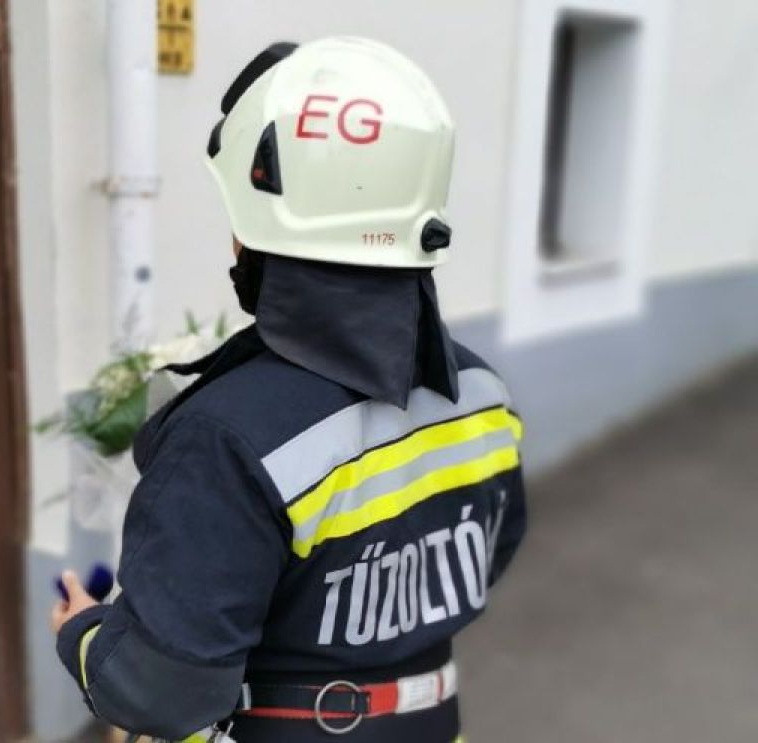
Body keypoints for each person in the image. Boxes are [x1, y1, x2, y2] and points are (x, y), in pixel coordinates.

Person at [51, 37, 527, 743]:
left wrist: (83, 633)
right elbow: (491, 550)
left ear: (256, 228)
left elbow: (162, 691)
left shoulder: (225, 439)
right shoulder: (482, 389)